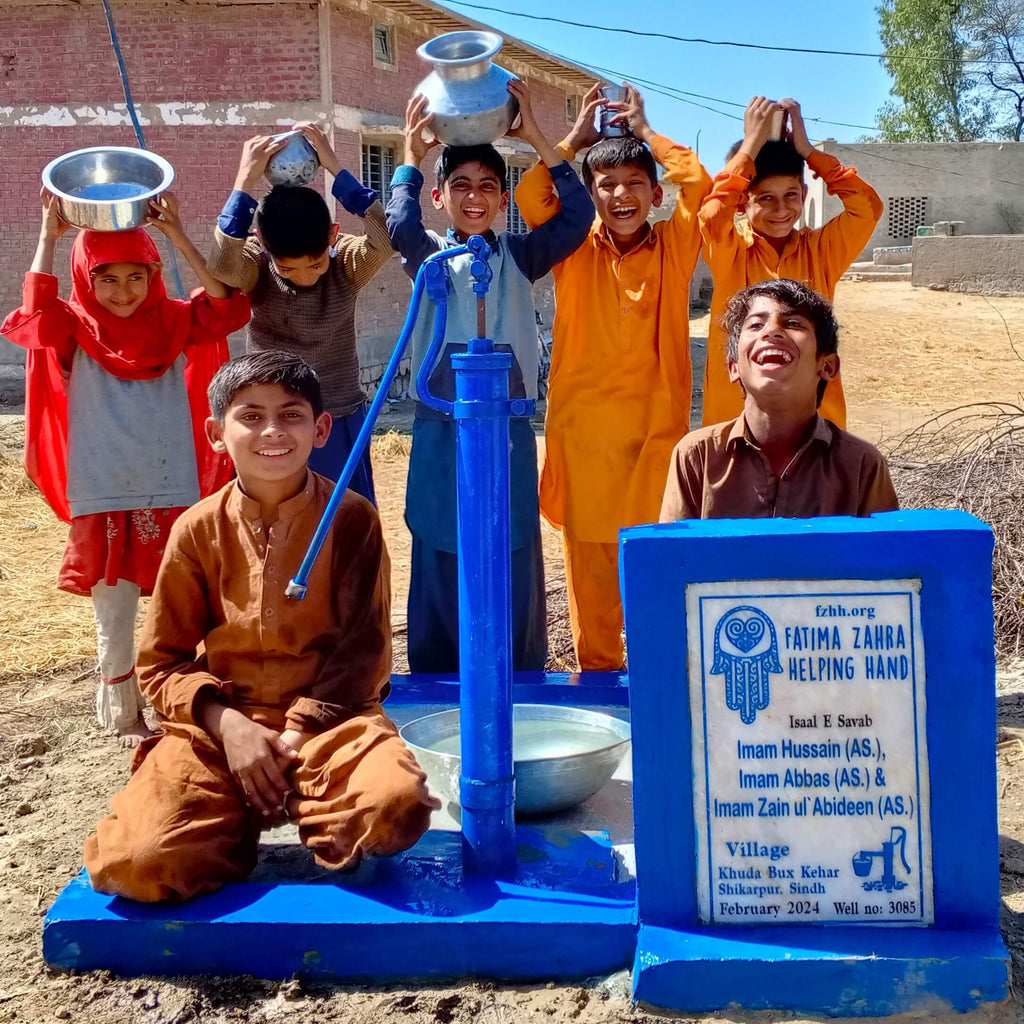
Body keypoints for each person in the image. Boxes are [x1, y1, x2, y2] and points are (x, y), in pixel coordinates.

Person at [83, 352, 439, 902]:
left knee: (395, 809)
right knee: (135, 863)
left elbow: (364, 652)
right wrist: (232, 729)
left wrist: (292, 739)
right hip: (221, 729)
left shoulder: (351, 517)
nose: (272, 430)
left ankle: (297, 799)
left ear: (321, 428)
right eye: (250, 416)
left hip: (329, 727)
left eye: (291, 415)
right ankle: (232, 817)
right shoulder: (195, 530)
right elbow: (162, 665)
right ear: (216, 433)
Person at [1, 189, 249, 745]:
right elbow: (31, 321)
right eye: (106, 278)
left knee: (183, 592)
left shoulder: (174, 319)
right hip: (104, 481)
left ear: (154, 275)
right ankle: (121, 709)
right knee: (112, 601)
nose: (122, 291)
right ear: (85, 278)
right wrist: (48, 235)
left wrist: (178, 232)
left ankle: (187, 698)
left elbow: (229, 307)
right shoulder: (70, 324)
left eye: (136, 276)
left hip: (170, 477)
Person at [386, 79, 594, 673]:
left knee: (510, 542)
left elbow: (577, 216)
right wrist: (409, 154)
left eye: (486, 187)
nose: (474, 198)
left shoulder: (521, 258)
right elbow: (399, 220)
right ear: (439, 196)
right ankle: (439, 676)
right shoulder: (426, 257)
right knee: (437, 535)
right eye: (461, 186)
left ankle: (516, 673)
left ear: (503, 200)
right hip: (437, 426)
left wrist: (535, 138)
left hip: (506, 427)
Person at [514, 83, 711, 671]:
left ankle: (657, 691)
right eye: (606, 184)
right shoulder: (572, 245)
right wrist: (574, 139)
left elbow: (698, 184)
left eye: (634, 184)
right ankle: (600, 691)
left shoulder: (675, 250)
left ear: (654, 193)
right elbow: (531, 192)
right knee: (592, 589)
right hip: (586, 443)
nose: (620, 194)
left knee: (653, 578)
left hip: (655, 442)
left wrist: (647, 133)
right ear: (591, 193)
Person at [207, 124, 393, 500]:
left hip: (336, 417)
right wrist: (244, 182)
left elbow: (385, 239)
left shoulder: (346, 267)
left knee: (338, 518)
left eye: (315, 264)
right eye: (289, 268)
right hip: (272, 422)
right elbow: (223, 264)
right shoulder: (256, 269)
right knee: (276, 517)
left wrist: (337, 169)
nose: (305, 276)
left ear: (332, 236)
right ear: (261, 244)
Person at [699, 97, 883, 429]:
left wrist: (809, 152)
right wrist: (751, 145)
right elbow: (712, 215)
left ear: (804, 194)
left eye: (790, 195)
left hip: (814, 422)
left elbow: (867, 207)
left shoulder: (822, 251)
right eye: (765, 198)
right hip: (736, 420)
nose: (781, 210)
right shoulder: (729, 249)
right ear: (743, 202)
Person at [660, 279, 897, 522]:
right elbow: (670, 556)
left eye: (793, 323)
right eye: (755, 325)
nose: (771, 331)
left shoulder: (861, 465)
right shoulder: (697, 457)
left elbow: (886, 557)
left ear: (827, 366)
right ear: (733, 368)